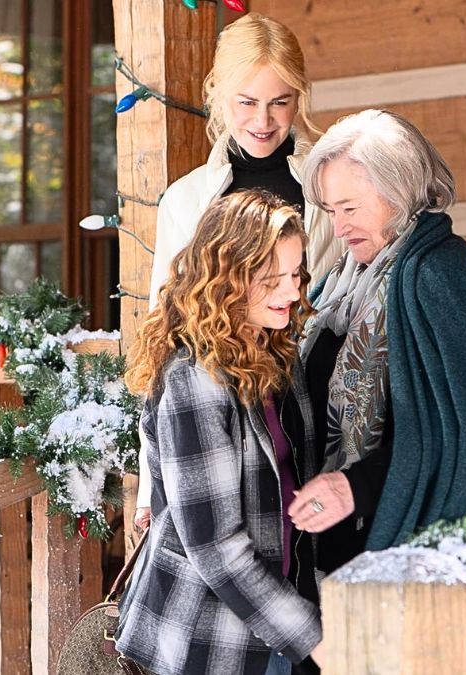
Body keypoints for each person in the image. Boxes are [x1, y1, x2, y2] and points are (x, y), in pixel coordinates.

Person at [135, 14, 345, 530]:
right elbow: (164, 335)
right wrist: (149, 481)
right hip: (221, 421)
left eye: (281, 101)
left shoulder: (328, 183)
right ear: (217, 94)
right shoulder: (185, 201)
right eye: (246, 102)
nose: (263, 120)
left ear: (300, 97)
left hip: (318, 405)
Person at [288, 109, 466, 573]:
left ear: (398, 192)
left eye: (350, 209)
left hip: (400, 541)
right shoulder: (341, 280)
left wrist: (356, 486)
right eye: (332, 211)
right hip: (331, 537)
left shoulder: (439, 273)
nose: (338, 227)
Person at [117, 191, 324, 675]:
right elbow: (215, 546)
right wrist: (315, 640)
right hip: (210, 643)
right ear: (225, 278)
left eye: (294, 275)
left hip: (276, 619)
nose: (292, 293)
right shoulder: (196, 378)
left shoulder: (272, 352)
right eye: (272, 279)